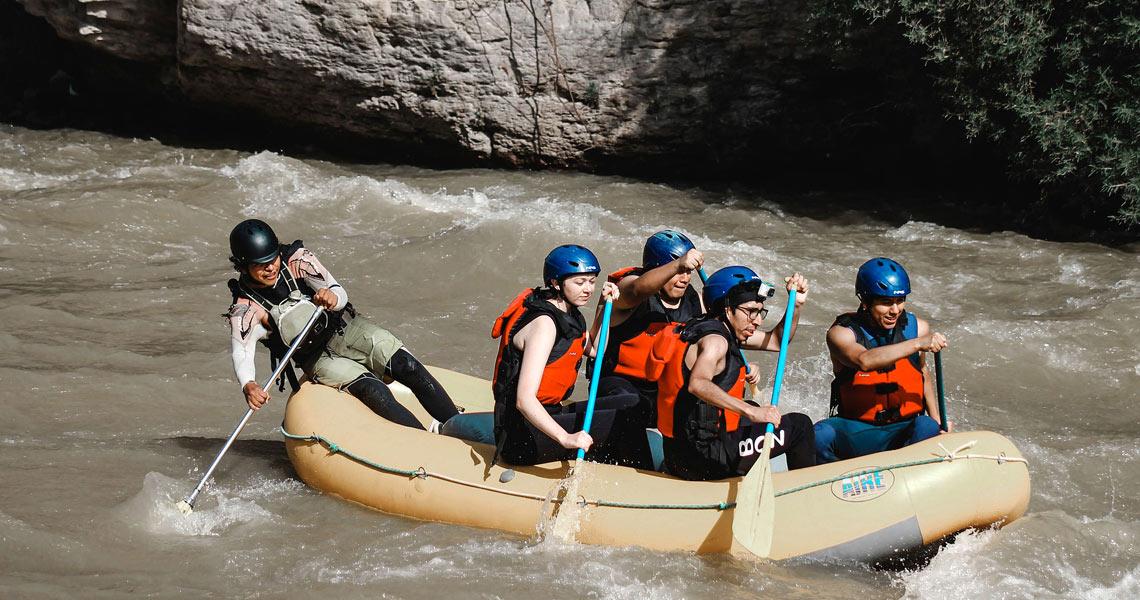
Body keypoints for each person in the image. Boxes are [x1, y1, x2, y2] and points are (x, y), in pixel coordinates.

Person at [225, 219, 459, 429]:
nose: (270, 267)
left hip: (347, 328)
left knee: (407, 365)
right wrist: (250, 385)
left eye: (272, 258)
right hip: (319, 359)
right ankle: (424, 442)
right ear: (244, 267)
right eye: (260, 264)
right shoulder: (246, 309)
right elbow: (242, 352)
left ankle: (455, 425)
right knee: (374, 391)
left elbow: (338, 290)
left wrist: (332, 298)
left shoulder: (298, 260)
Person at [649, 266, 815, 481]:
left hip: (678, 453)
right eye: (750, 312)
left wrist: (797, 305)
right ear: (728, 309)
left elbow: (776, 341)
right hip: (706, 460)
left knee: (754, 409)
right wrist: (750, 412)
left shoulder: (700, 328)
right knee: (799, 426)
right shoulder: (716, 342)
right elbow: (697, 384)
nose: (757, 321)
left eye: (760, 312)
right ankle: (804, 494)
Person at [489, 244, 639, 466]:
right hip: (523, 436)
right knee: (625, 419)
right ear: (556, 283)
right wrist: (566, 438)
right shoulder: (545, 325)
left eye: (591, 281)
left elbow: (595, 350)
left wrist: (605, 305)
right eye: (579, 282)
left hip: (551, 414)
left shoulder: (569, 314)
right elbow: (524, 400)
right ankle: (633, 476)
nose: (587, 289)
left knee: (634, 402)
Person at [813, 257, 948, 464]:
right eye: (886, 303)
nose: (895, 310)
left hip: (903, 428)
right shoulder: (841, 333)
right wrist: (918, 344)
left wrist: (939, 423)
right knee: (819, 434)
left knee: (927, 425)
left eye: (900, 300)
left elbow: (924, 376)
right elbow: (864, 360)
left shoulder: (918, 328)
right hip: (858, 431)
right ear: (865, 302)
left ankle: (910, 474)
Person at [593, 230, 706, 468]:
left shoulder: (693, 300)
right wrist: (678, 264)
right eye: (679, 271)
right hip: (619, 385)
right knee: (634, 404)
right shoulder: (626, 288)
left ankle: (687, 465)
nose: (684, 278)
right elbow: (636, 291)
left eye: (688, 272)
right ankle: (640, 469)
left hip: (661, 389)